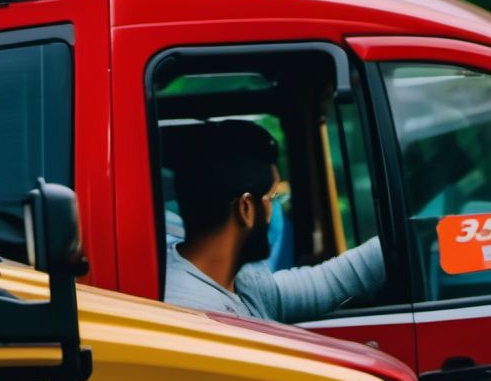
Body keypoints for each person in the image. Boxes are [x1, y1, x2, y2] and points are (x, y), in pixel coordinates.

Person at [165, 120, 385, 321]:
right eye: (272, 198)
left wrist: (398, 242)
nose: (273, 211)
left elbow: (323, 283)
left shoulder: (240, 279)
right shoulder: (193, 312)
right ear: (246, 208)